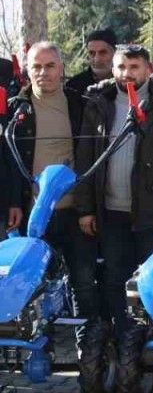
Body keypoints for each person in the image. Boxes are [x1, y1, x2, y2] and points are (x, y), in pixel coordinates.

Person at [75, 44, 153, 340]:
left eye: (134, 67)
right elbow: (86, 158)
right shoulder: (99, 103)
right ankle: (124, 337)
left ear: (148, 69)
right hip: (111, 212)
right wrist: (86, 209)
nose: (127, 73)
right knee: (115, 277)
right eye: (121, 67)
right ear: (113, 69)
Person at [10, 42, 103, 364]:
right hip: (32, 215)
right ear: (27, 69)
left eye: (50, 66)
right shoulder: (15, 110)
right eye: (36, 66)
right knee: (33, 287)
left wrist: (90, 207)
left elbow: (93, 157)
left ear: (61, 68)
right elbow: (7, 163)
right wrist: (13, 203)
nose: (43, 72)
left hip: (76, 213)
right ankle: (40, 349)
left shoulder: (81, 105)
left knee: (83, 282)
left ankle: (89, 352)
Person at [65, 28, 117, 99]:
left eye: (102, 52)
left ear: (115, 53)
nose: (97, 59)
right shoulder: (73, 86)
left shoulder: (125, 83)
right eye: (92, 53)